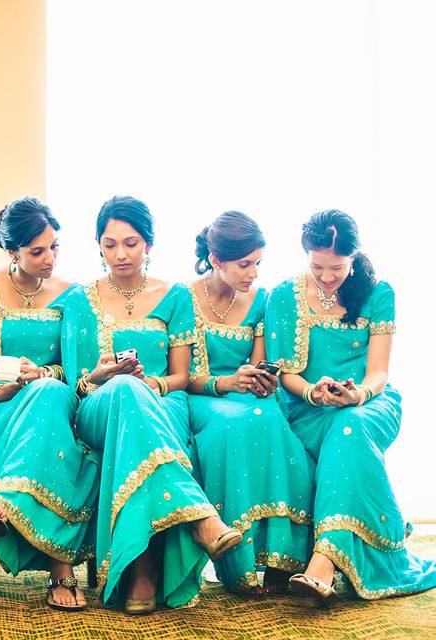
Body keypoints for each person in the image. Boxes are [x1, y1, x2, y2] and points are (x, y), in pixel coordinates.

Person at [61, 195, 242, 614]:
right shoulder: (79, 300)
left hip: (163, 404)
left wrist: (150, 383)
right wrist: (105, 376)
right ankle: (200, 519)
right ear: (98, 246)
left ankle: (141, 569)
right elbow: (77, 384)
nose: (120, 254)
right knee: (125, 391)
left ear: (149, 244)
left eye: (131, 243)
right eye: (109, 244)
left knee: (135, 396)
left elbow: (181, 376)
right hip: (98, 408)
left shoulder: (175, 296)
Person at [266, 209, 436, 603]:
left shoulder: (379, 293)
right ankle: (373, 533)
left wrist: (355, 395)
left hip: (370, 404)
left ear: (354, 257)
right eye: (317, 266)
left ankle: (324, 558)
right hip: (305, 407)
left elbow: (378, 373)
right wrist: (313, 392)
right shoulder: (284, 296)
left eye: (337, 268)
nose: (326, 277)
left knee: (351, 425)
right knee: (346, 430)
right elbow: (284, 374)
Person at [0, 197, 97, 611]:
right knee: (45, 413)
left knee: (49, 394)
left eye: (55, 247)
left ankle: (3, 501)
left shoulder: (73, 296)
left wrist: (44, 375)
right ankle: (60, 569)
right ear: (11, 252)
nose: (49, 258)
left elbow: (79, 372)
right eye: (37, 251)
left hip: (51, 401)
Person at [187, 211, 315, 594]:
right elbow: (186, 375)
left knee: (270, 420)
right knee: (233, 425)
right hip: (205, 397)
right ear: (215, 259)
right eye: (245, 264)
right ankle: (237, 565)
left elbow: (261, 366)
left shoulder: (262, 299)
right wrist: (227, 382)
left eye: (258, 263)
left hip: (249, 397)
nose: (253, 273)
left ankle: (281, 560)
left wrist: (260, 380)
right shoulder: (185, 298)